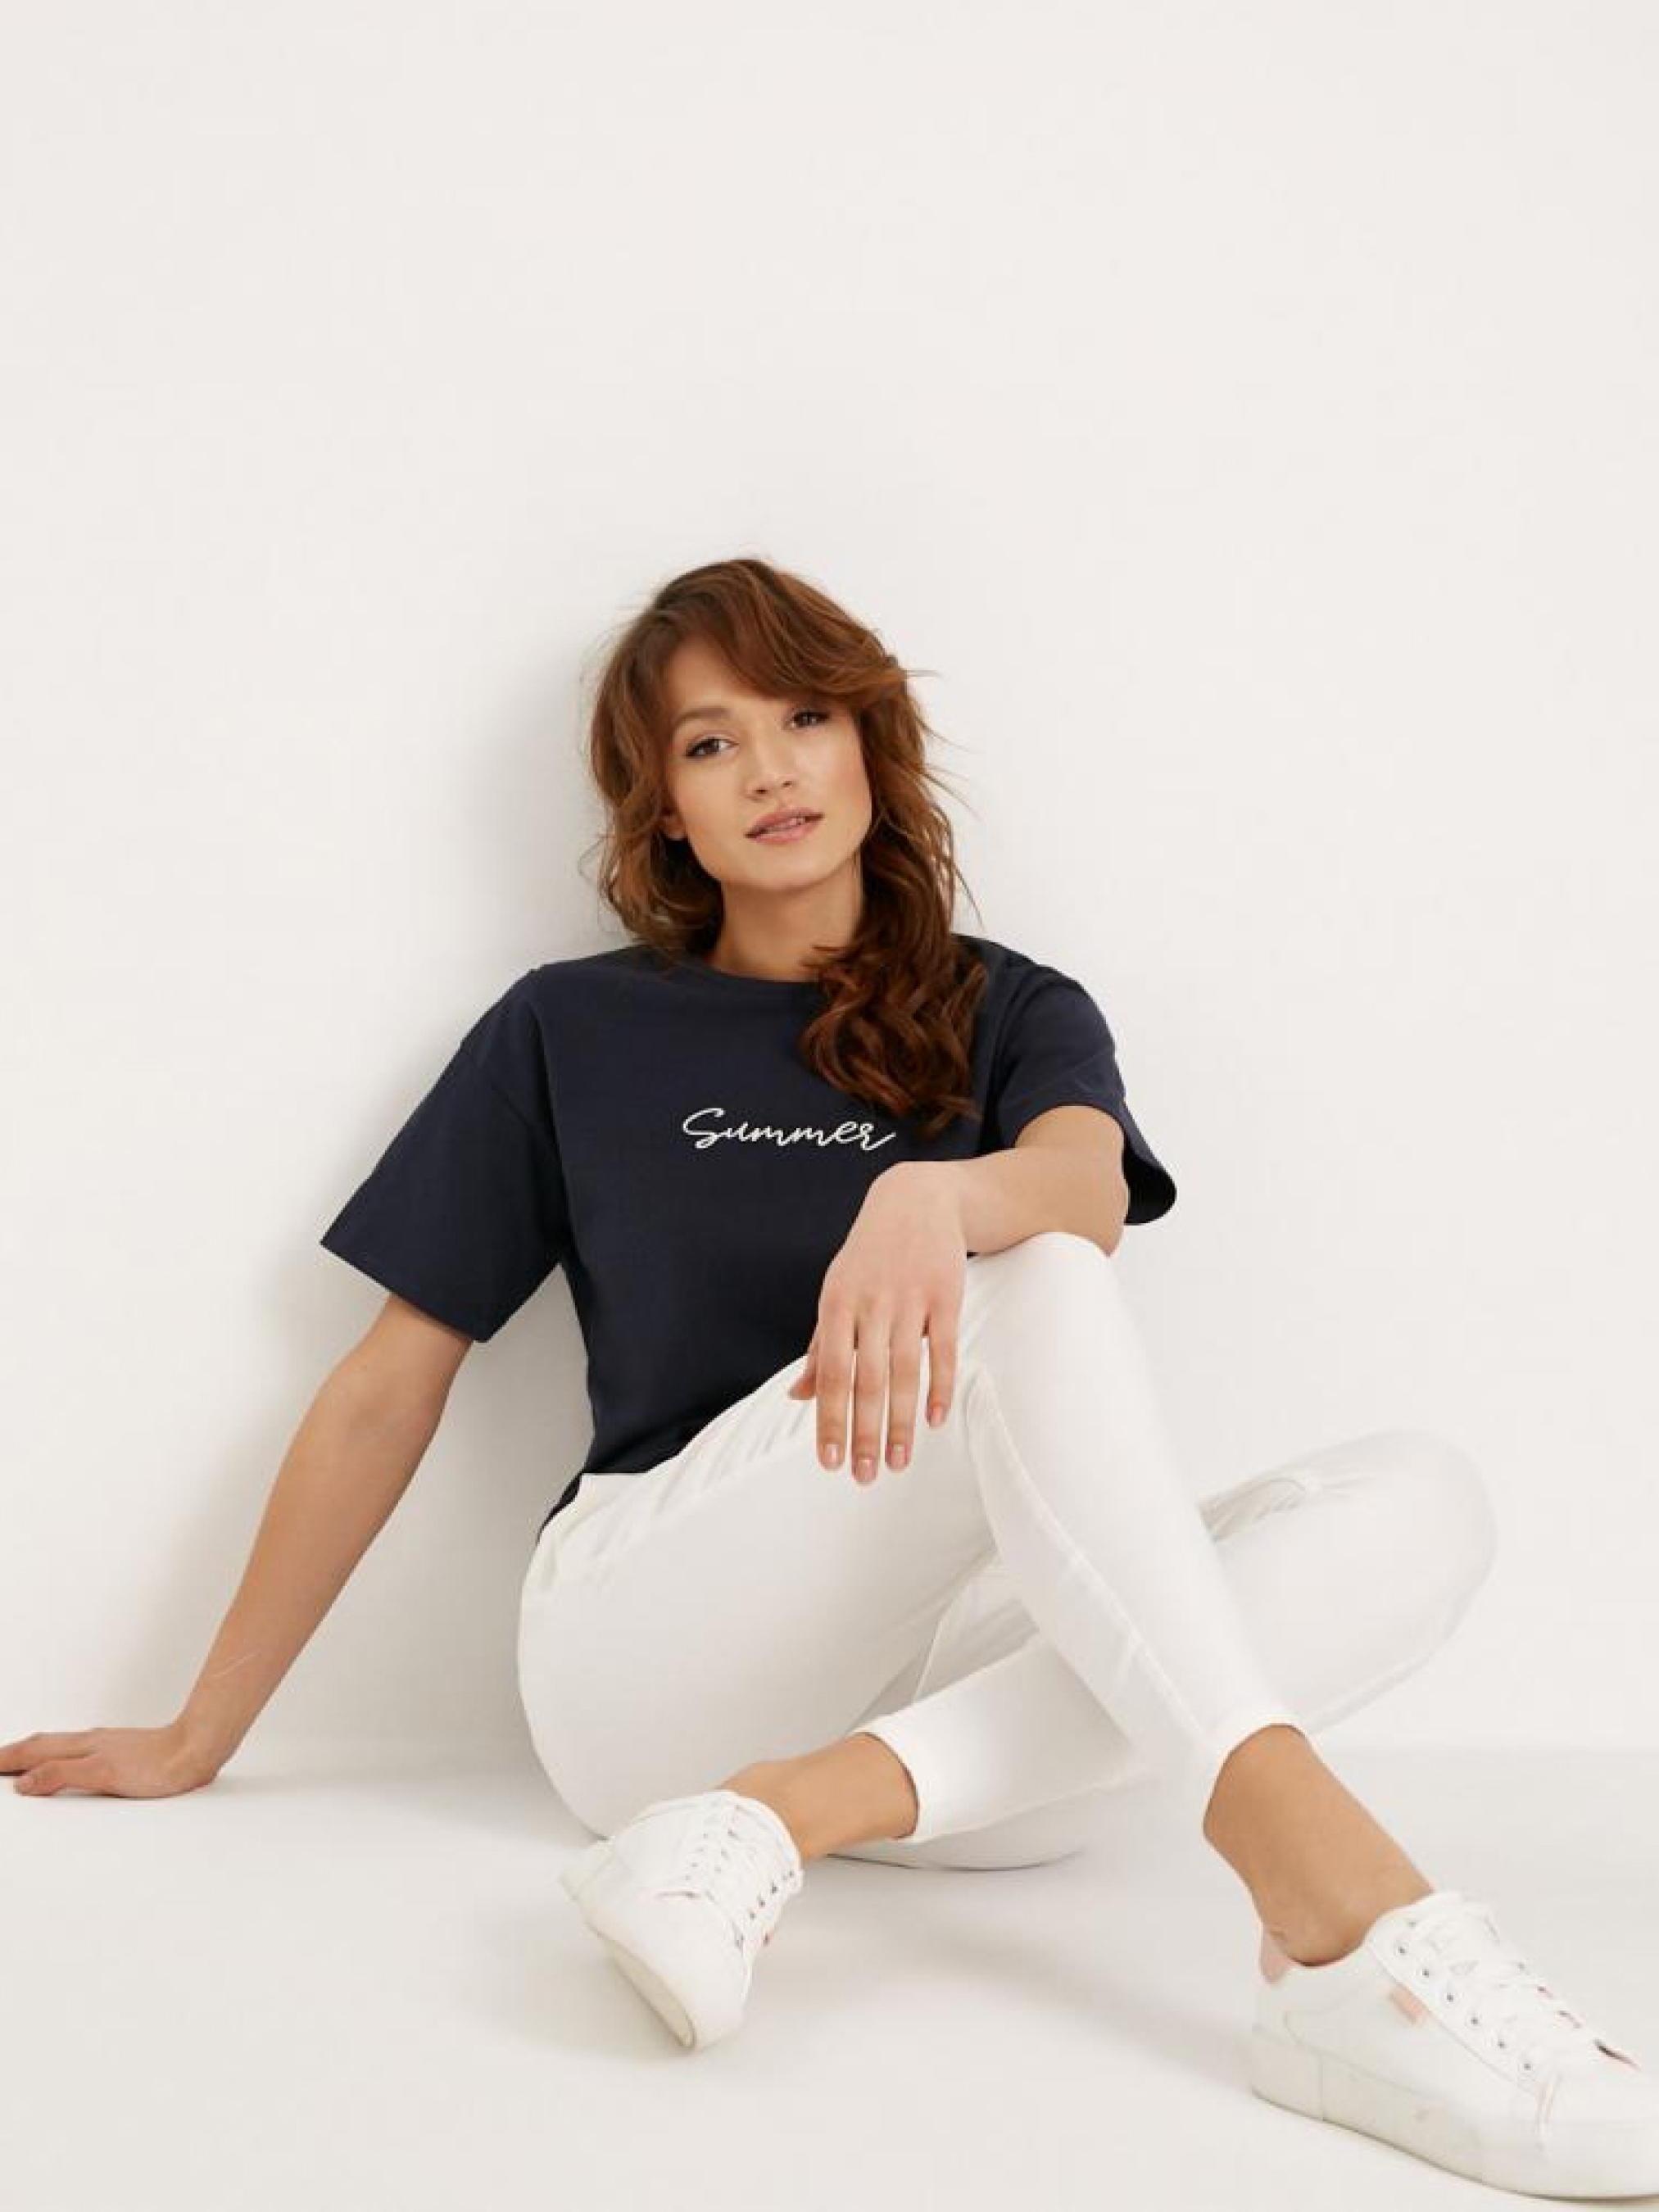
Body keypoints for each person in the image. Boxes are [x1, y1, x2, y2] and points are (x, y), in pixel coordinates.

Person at [8, 555, 1654, 2196]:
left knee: (1417, 1501)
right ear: (664, 811)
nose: (769, 768)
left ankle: (784, 1816)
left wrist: (932, 1193)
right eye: (708, 743)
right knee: (1029, 1283)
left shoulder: (1008, 1006)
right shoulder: (568, 1031)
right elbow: (389, 1383)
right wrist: (200, 1729)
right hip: (646, 1653)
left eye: (803, 717)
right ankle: (1340, 1920)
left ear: (870, 743)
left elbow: (1082, 1185)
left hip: (956, 1740)